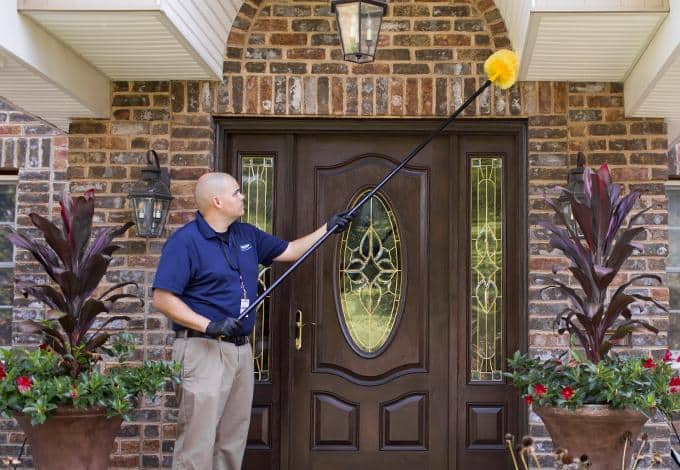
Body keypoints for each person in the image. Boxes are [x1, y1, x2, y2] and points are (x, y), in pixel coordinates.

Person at [151, 172, 352, 470]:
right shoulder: (186, 242)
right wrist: (209, 325)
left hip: (241, 352)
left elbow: (291, 250)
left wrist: (328, 228)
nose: (242, 196)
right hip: (203, 350)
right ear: (217, 201)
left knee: (232, 440)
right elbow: (162, 298)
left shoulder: (246, 235)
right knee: (198, 440)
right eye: (236, 192)